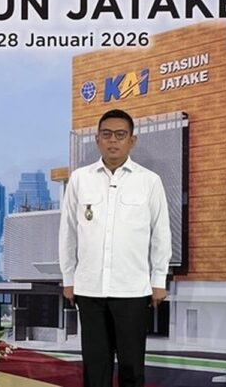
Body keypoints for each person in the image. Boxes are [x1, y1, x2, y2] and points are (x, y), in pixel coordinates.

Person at [59, 109, 172, 387]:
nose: (113, 141)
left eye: (120, 135)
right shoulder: (80, 179)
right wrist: (69, 279)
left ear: (131, 141)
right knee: (95, 368)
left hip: (132, 290)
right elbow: (68, 233)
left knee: (132, 368)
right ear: (97, 139)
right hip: (89, 289)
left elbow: (161, 234)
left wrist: (158, 280)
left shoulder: (149, 181)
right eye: (107, 134)